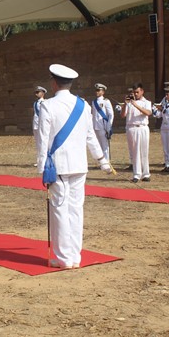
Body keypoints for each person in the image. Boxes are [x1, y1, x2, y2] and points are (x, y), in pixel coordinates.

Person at [37, 64, 113, 270]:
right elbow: (91, 136)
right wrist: (102, 160)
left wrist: (42, 167)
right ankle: (74, 256)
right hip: (80, 165)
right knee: (76, 210)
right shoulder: (83, 105)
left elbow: (42, 140)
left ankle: (64, 259)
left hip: (58, 166)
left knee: (60, 210)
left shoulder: (48, 106)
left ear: (53, 83)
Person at [121, 83, 152, 182]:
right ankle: (136, 174)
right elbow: (123, 115)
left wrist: (136, 104)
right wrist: (125, 104)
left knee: (144, 151)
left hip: (142, 127)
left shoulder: (146, 102)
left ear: (142, 91)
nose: (136, 94)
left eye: (137, 92)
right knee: (134, 152)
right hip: (131, 128)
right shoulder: (129, 103)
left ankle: (146, 174)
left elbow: (148, 112)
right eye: (134, 92)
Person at [91, 83, 114, 162]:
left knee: (104, 146)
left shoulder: (106, 101)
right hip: (95, 126)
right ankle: (101, 162)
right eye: (96, 90)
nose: (96, 92)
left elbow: (111, 114)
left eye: (98, 90)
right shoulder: (93, 102)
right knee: (98, 146)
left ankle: (107, 162)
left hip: (103, 126)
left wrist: (109, 126)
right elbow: (93, 115)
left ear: (103, 92)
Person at [32, 86, 47, 167]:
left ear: (43, 93)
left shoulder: (44, 102)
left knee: (43, 143)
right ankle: (39, 161)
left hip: (42, 125)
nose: (36, 94)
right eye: (36, 92)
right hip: (36, 124)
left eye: (38, 92)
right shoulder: (35, 103)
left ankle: (44, 160)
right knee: (38, 143)